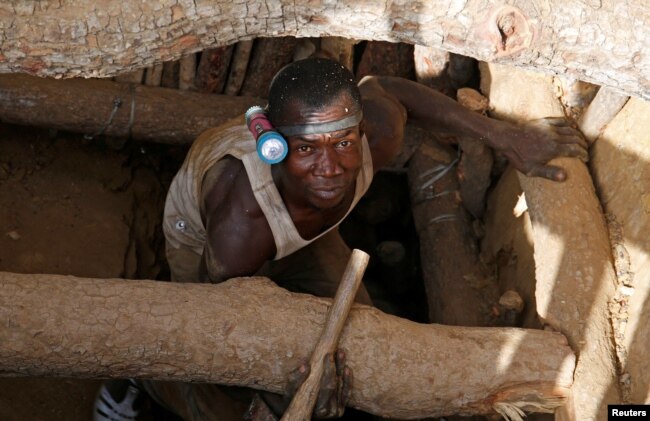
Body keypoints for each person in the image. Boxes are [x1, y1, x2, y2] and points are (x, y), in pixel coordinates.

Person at [94, 57, 587, 421]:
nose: (330, 168)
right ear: (275, 146)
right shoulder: (239, 228)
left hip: (301, 236)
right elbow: (229, 325)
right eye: (305, 148)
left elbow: (388, 88)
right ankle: (142, 377)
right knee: (226, 401)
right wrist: (288, 390)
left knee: (359, 339)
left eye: (343, 143)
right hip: (214, 248)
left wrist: (506, 137)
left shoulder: (375, 134)